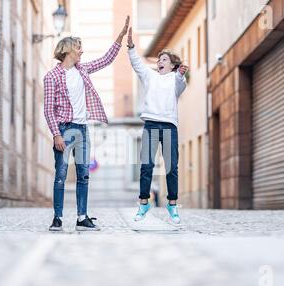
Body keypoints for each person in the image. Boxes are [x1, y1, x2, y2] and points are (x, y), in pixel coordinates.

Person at [44, 16, 130, 232]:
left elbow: (105, 60)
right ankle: (58, 218)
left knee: (83, 174)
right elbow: (48, 109)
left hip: (82, 130)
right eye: (78, 48)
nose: (81, 52)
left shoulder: (82, 70)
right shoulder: (51, 77)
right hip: (64, 129)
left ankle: (82, 217)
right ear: (67, 51)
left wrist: (119, 38)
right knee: (61, 175)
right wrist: (56, 134)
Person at [127, 27, 189, 224]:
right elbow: (137, 64)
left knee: (171, 167)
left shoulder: (175, 79)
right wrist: (130, 47)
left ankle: (172, 205)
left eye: (164, 60)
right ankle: (144, 202)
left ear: (172, 65)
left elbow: (180, 85)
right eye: (159, 60)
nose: (159, 62)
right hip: (151, 125)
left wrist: (180, 75)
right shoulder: (150, 77)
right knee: (146, 165)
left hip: (169, 126)